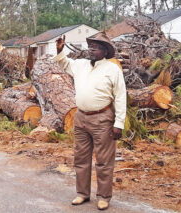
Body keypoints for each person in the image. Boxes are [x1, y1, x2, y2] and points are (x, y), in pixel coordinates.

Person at [53, 32, 126, 210]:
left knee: (103, 161)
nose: (91, 49)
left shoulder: (112, 69)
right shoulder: (81, 65)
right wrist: (60, 50)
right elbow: (64, 63)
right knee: (81, 158)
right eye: (90, 46)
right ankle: (82, 194)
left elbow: (120, 97)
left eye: (96, 46)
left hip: (103, 119)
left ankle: (103, 196)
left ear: (105, 51)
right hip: (81, 117)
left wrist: (119, 123)